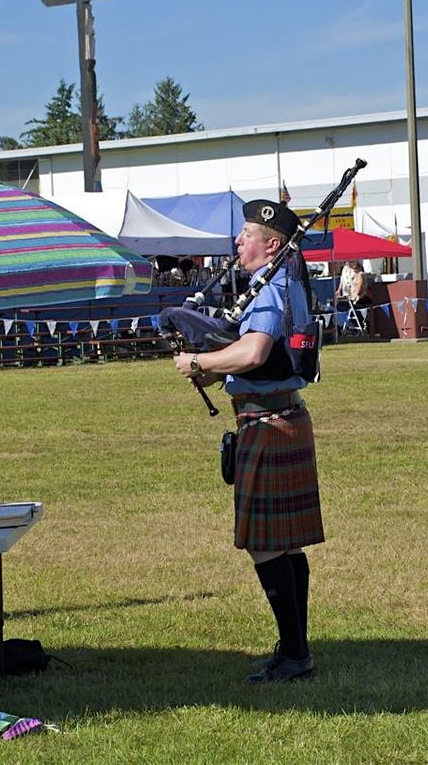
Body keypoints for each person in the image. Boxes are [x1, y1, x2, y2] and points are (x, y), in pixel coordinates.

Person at [173, 199, 324, 685]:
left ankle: (295, 654)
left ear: (272, 244)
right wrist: (218, 363)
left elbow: (256, 351)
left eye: (247, 235)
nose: (239, 242)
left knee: (264, 544)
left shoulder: (270, 289)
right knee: (287, 546)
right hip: (283, 416)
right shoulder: (286, 283)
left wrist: (200, 364)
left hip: (268, 422)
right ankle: (295, 648)